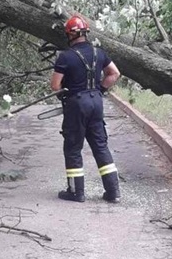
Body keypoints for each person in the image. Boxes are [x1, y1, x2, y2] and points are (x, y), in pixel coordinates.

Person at [50, 15, 122, 203]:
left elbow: (55, 85)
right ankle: (113, 192)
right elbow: (114, 73)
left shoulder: (65, 57)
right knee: (100, 145)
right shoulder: (100, 53)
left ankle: (76, 192)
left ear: (69, 35)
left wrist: (65, 94)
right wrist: (100, 89)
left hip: (76, 104)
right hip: (96, 102)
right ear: (85, 33)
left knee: (73, 147)